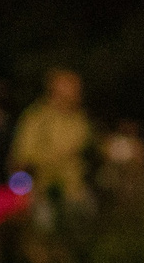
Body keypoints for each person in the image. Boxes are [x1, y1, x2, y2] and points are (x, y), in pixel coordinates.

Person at [10, 68, 94, 208]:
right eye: (71, 85)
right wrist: (22, 193)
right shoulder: (36, 117)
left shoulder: (80, 118)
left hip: (76, 190)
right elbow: (21, 160)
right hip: (43, 191)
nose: (77, 90)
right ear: (55, 87)